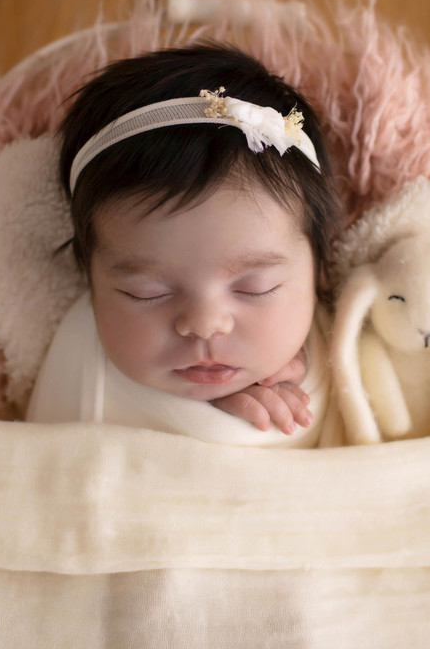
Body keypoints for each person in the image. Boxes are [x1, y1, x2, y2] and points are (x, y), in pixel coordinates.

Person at [24, 42, 344, 446]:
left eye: (255, 287)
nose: (205, 324)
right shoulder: (81, 359)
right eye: (147, 293)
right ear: (90, 281)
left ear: (318, 267)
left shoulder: (348, 345)